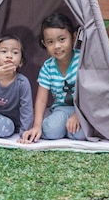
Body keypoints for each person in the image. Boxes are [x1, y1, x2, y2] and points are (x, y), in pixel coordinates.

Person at [19, 13, 86, 143]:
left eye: (62, 39)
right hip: (61, 109)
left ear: (73, 37)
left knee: (80, 134)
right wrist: (37, 126)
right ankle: (66, 128)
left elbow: (89, 93)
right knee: (49, 130)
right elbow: (41, 100)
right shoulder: (47, 67)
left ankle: (72, 129)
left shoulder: (81, 60)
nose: (57, 46)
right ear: (44, 43)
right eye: (50, 42)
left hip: (83, 109)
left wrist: (77, 115)